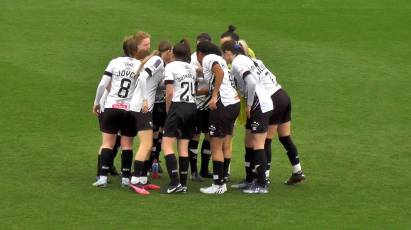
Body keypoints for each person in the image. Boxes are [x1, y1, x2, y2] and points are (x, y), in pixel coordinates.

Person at [221, 41, 273, 193]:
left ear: (228, 53)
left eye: (224, 54)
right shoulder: (244, 59)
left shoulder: (237, 63)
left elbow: (250, 83)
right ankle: (250, 179)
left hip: (259, 105)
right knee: (250, 141)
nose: (224, 58)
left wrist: (249, 104)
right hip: (260, 103)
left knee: (258, 144)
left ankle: (261, 184)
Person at [92, 36, 142, 187]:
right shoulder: (139, 65)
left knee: (107, 144)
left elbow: (102, 85)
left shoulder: (114, 62)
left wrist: (96, 102)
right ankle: (126, 178)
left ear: (124, 49)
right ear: (136, 50)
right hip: (129, 109)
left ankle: (102, 178)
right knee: (127, 145)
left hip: (112, 107)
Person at [127, 41, 174, 195]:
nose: (172, 55)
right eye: (171, 52)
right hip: (142, 107)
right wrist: (146, 100)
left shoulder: (161, 64)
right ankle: (135, 180)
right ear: (167, 51)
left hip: (143, 107)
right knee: (146, 144)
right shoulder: (158, 61)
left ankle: (142, 180)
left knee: (147, 144)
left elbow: (156, 84)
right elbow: (142, 78)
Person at [196, 41, 240, 194]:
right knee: (224, 144)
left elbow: (219, 73)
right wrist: (192, 92)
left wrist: (214, 97)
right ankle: (222, 180)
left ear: (200, 54)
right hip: (234, 104)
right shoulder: (219, 59)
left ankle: (218, 185)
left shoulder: (208, 59)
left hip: (223, 105)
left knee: (215, 145)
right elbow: (212, 85)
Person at [162, 40, 197, 194]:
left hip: (178, 106)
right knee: (183, 146)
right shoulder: (192, 68)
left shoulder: (170, 66)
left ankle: (174, 182)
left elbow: (169, 92)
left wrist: (168, 110)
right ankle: (183, 184)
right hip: (192, 107)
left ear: (173, 54)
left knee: (167, 145)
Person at [189, 32, 213, 181]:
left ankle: (204, 169)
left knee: (209, 136)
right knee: (195, 136)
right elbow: (195, 88)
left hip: (209, 105)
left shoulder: (212, 60)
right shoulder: (192, 62)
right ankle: (193, 172)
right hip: (196, 106)